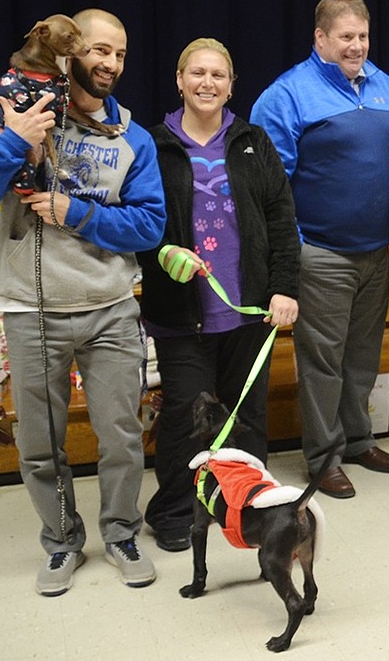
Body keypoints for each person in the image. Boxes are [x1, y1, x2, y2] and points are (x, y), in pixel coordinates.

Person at [0, 9, 165, 595]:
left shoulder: (134, 139)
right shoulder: (21, 112)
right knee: (39, 444)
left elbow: (150, 227)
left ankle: (122, 533)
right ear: (70, 52)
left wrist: (79, 213)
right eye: (99, 50)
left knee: (122, 435)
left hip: (110, 308)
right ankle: (61, 542)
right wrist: (14, 141)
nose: (109, 63)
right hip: (32, 308)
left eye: (120, 54)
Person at [251, 0, 389, 499]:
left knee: (362, 358)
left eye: (363, 36)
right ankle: (323, 458)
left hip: (375, 251)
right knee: (322, 363)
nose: (357, 46)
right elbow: (266, 181)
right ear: (320, 38)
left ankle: (357, 440)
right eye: (346, 36)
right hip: (319, 252)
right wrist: (291, 248)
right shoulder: (287, 94)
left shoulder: (385, 86)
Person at [139, 38, 301, 552]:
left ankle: (248, 506)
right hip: (181, 315)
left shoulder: (254, 141)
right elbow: (140, 225)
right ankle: (172, 512)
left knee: (247, 418)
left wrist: (284, 289)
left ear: (231, 85)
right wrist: (165, 254)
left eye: (219, 75)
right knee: (188, 416)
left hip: (250, 312)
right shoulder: (154, 145)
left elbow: (281, 218)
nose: (208, 83)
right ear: (180, 79)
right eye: (198, 73)